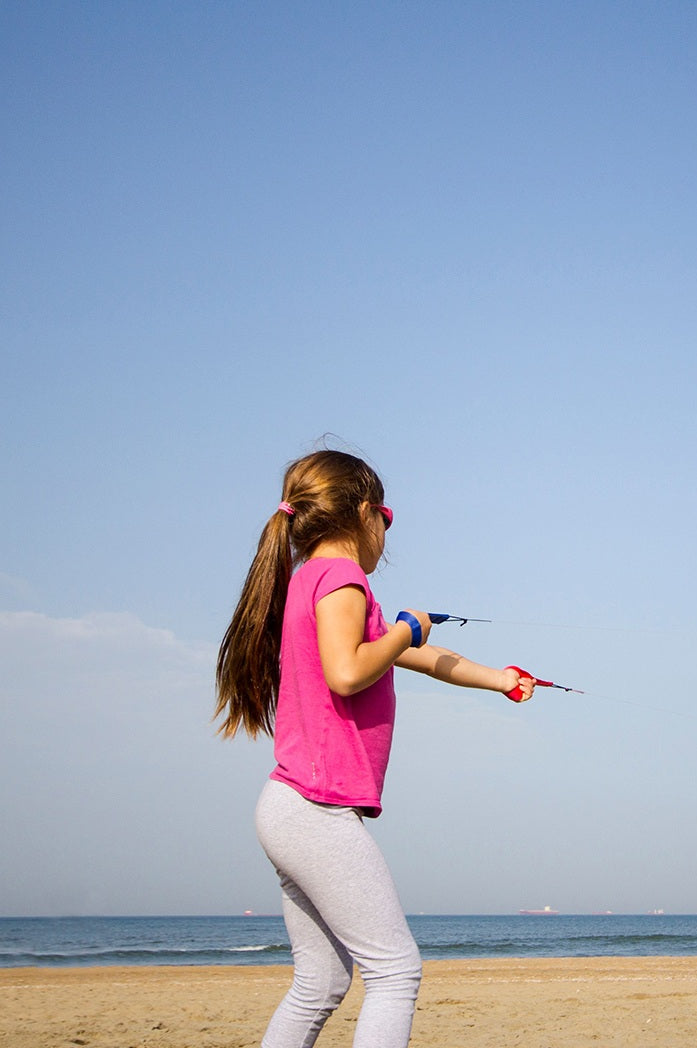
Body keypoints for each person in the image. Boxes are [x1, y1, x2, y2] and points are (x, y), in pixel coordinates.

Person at [215, 448, 534, 1048]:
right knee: (395, 970)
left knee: (320, 984)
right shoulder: (340, 579)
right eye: (386, 516)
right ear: (364, 512)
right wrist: (407, 629)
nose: (387, 531)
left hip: (291, 808)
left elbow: (425, 660)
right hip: (315, 809)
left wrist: (501, 678)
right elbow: (347, 671)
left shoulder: (311, 579)